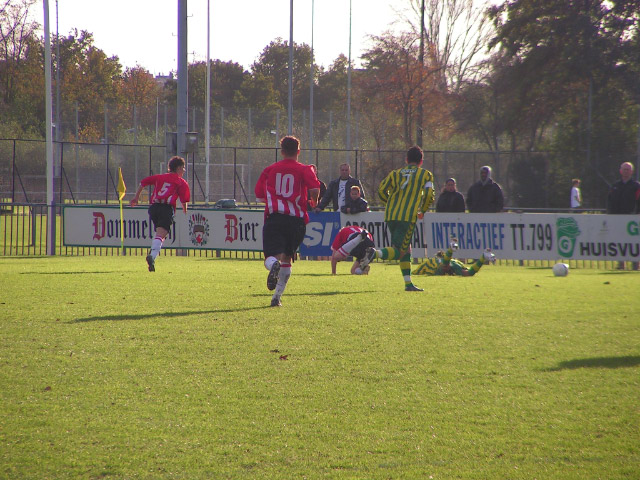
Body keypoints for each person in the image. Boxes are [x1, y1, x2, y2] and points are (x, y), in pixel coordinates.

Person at [255, 136, 321, 307]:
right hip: (297, 221)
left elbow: (259, 195)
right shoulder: (305, 169)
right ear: (298, 151)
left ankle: (273, 266)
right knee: (287, 259)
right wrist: (314, 201)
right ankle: (276, 297)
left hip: (275, 218)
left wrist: (276, 198)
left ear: (282, 151)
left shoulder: (270, 170)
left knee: (271, 257)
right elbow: (314, 188)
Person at [360, 145, 435, 291]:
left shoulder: (395, 173)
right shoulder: (425, 175)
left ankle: (408, 284)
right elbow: (429, 194)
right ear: (421, 161)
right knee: (400, 250)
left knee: (405, 249)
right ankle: (374, 253)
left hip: (391, 215)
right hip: (407, 217)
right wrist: (423, 210)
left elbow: (382, 190)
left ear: (407, 159)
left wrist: (390, 204)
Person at [129, 156, 191, 272]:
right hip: (165, 209)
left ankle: (152, 255)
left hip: (153, 208)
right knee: (161, 234)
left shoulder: (159, 177)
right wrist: (185, 211)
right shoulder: (180, 182)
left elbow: (143, 183)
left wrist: (136, 197)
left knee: (159, 233)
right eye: (183, 168)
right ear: (178, 168)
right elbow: (184, 200)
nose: (184, 171)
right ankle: (152, 256)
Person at [607, 162, 640, 270]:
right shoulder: (615, 186)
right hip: (617, 218)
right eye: (624, 169)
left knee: (633, 242)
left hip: (632, 219)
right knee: (619, 241)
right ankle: (621, 264)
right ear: (620, 171)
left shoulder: (636, 186)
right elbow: (610, 201)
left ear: (632, 171)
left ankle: (635, 265)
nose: (626, 171)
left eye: (628, 169)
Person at [413, 237, 495, 276]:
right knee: (468, 273)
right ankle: (483, 257)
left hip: (440, 269)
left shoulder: (429, 262)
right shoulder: (454, 261)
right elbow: (469, 271)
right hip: (451, 265)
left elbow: (415, 272)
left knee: (444, 266)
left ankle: (451, 249)